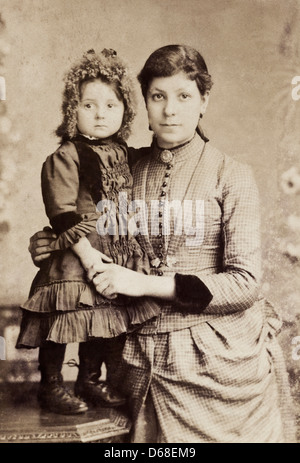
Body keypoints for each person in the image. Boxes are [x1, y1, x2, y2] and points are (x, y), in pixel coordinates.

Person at [28, 44, 296, 442]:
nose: (171, 110)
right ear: (145, 103)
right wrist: (50, 245)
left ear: (204, 101)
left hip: (219, 364)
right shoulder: (120, 167)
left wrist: (145, 284)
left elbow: (245, 283)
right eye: (158, 96)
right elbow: (81, 220)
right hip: (131, 363)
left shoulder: (232, 175)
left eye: (184, 96)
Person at [16, 48, 160, 415]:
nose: (100, 114)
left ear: (125, 111)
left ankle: (90, 380)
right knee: (64, 320)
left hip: (113, 255)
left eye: (111, 106)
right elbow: (62, 212)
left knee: (103, 322)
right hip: (77, 257)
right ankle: (50, 386)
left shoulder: (125, 154)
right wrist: (87, 253)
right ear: (72, 111)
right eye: (89, 105)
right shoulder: (66, 155)